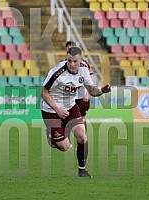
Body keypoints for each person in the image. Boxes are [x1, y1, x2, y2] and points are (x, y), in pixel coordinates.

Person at [41, 46, 111, 178]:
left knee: (82, 136)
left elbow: (92, 91)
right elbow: (44, 93)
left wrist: (102, 90)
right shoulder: (57, 73)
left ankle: (82, 170)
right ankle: (52, 136)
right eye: (69, 61)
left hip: (70, 106)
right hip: (51, 109)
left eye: (75, 61)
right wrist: (58, 110)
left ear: (81, 60)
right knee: (65, 147)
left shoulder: (84, 69)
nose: (72, 64)